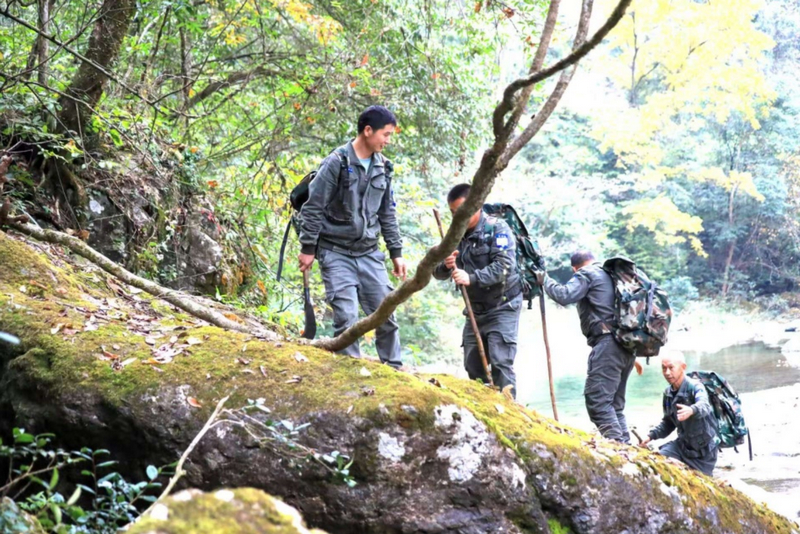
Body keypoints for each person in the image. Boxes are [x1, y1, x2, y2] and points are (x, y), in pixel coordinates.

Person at [297, 105, 407, 368]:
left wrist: (396, 252)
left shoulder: (383, 167)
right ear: (368, 131)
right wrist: (308, 248)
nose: (388, 141)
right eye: (386, 134)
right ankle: (350, 374)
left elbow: (387, 213)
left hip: (369, 252)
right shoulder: (337, 162)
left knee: (385, 314)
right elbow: (313, 207)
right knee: (346, 317)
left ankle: (395, 371)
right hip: (335, 252)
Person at [536, 251, 636, 443]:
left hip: (608, 345)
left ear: (574, 268)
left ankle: (619, 447)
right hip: (627, 346)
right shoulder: (612, 275)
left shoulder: (587, 273)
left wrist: (544, 279)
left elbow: (564, 295)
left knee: (598, 402)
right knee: (614, 405)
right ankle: (628, 447)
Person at [433, 184, 522, 396]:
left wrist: (472, 278)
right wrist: (445, 265)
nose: (458, 217)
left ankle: (509, 407)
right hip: (474, 309)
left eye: (462, 211)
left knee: (501, 362)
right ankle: (487, 406)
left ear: (477, 205)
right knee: (473, 364)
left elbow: (504, 267)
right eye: (453, 213)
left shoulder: (498, 229)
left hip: (503, 306)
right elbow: (435, 271)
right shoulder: (454, 235)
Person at [638, 353, 720, 475]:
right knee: (657, 462)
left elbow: (704, 406)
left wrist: (692, 410)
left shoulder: (696, 387)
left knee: (699, 482)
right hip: (682, 446)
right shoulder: (668, 393)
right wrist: (650, 436)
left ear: (683, 367)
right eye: (664, 368)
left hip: (704, 453)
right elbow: (668, 423)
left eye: (671, 368)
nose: (667, 373)